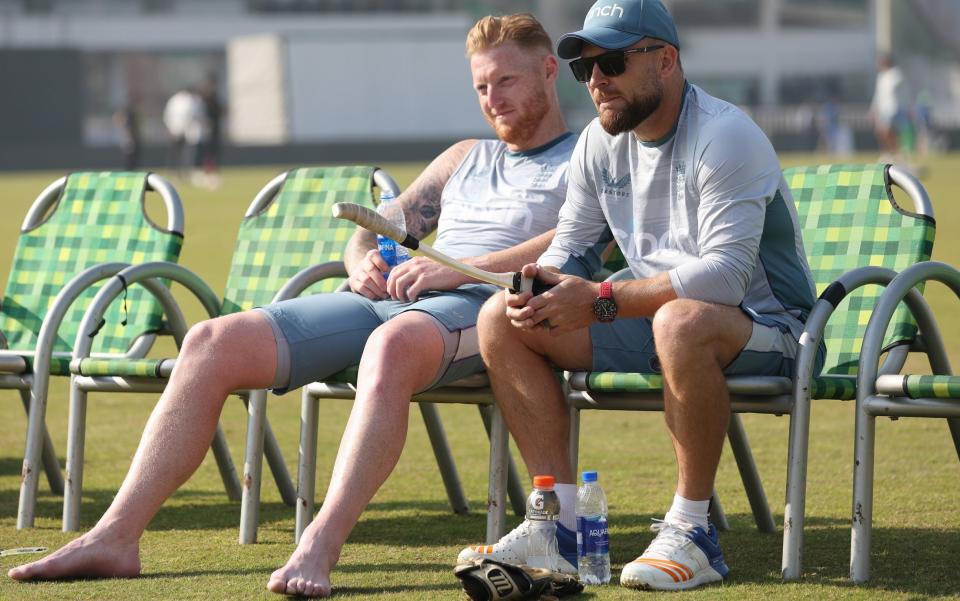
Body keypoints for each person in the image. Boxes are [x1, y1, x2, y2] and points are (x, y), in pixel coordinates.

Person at [8, 12, 585, 599]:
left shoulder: (585, 157)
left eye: (505, 82)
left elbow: (575, 240)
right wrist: (362, 256)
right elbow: (376, 226)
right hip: (394, 299)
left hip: (481, 310)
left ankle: (318, 545)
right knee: (212, 340)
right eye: (481, 87)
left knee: (390, 346)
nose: (492, 98)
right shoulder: (465, 156)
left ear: (546, 71)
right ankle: (115, 536)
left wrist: (454, 268)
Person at [460, 0, 824, 591]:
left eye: (614, 63)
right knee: (502, 319)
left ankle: (693, 530)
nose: (598, 81)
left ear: (667, 60)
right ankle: (558, 527)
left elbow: (727, 278)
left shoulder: (726, 134)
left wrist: (601, 298)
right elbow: (571, 249)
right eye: (586, 68)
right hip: (657, 320)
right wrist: (539, 286)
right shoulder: (599, 144)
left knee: (681, 322)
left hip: (773, 329)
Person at [869, 54, 909, 159]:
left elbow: (896, 87)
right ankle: (889, 152)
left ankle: (896, 152)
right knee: (881, 131)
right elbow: (878, 94)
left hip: (892, 108)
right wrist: (873, 109)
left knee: (889, 131)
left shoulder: (895, 74)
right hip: (882, 109)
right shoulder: (881, 76)